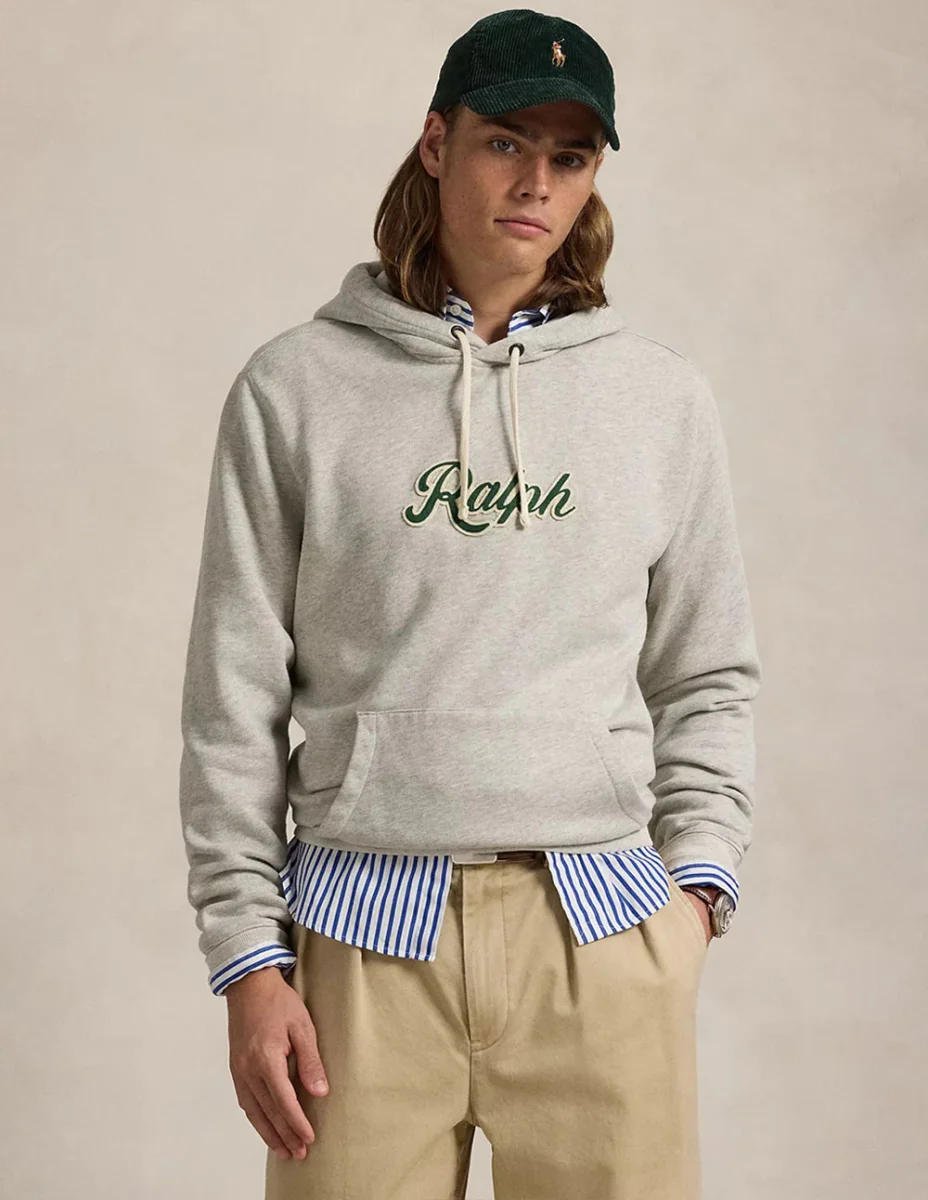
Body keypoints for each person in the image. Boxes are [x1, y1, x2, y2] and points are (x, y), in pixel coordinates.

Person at [178, 10, 762, 1199]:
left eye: (569, 155)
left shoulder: (658, 401)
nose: (536, 182)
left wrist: (696, 892)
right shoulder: (295, 388)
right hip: (358, 943)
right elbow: (232, 692)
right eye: (506, 141)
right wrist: (247, 958)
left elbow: (707, 671)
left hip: (601, 935)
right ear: (437, 143)